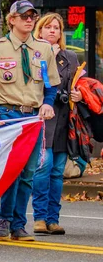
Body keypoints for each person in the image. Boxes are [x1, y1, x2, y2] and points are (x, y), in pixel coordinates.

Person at [0, 0, 60, 242]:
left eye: (32, 15)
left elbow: (50, 84)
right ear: (12, 19)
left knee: (28, 172)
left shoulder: (43, 49)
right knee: (12, 169)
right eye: (24, 16)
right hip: (9, 114)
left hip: (32, 117)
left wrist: (47, 102)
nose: (29, 19)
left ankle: (19, 225)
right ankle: (5, 218)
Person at [31, 13, 80, 236]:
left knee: (58, 171)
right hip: (41, 118)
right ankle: (39, 218)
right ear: (39, 31)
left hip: (63, 119)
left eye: (56, 28)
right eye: (48, 27)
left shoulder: (70, 57)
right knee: (43, 167)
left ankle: (53, 219)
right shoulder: (32, 54)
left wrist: (77, 94)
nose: (52, 31)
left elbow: (77, 84)